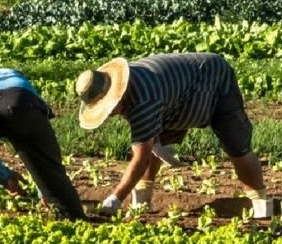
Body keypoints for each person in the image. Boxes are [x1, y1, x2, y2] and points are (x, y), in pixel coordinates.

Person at [75, 53, 270, 216]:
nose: (111, 113)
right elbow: (147, 139)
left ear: (117, 94)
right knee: (151, 143)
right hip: (176, 97)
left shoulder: (142, 98)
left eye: (109, 107)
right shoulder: (131, 87)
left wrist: (116, 198)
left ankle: (261, 204)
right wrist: (156, 142)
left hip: (214, 79)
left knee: (237, 146)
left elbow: (140, 158)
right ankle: (141, 203)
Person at [0, 58, 85, 219]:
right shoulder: (12, 74)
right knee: (47, 164)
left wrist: (5, 177)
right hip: (20, 99)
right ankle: (73, 223)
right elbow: (41, 145)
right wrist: (44, 190)